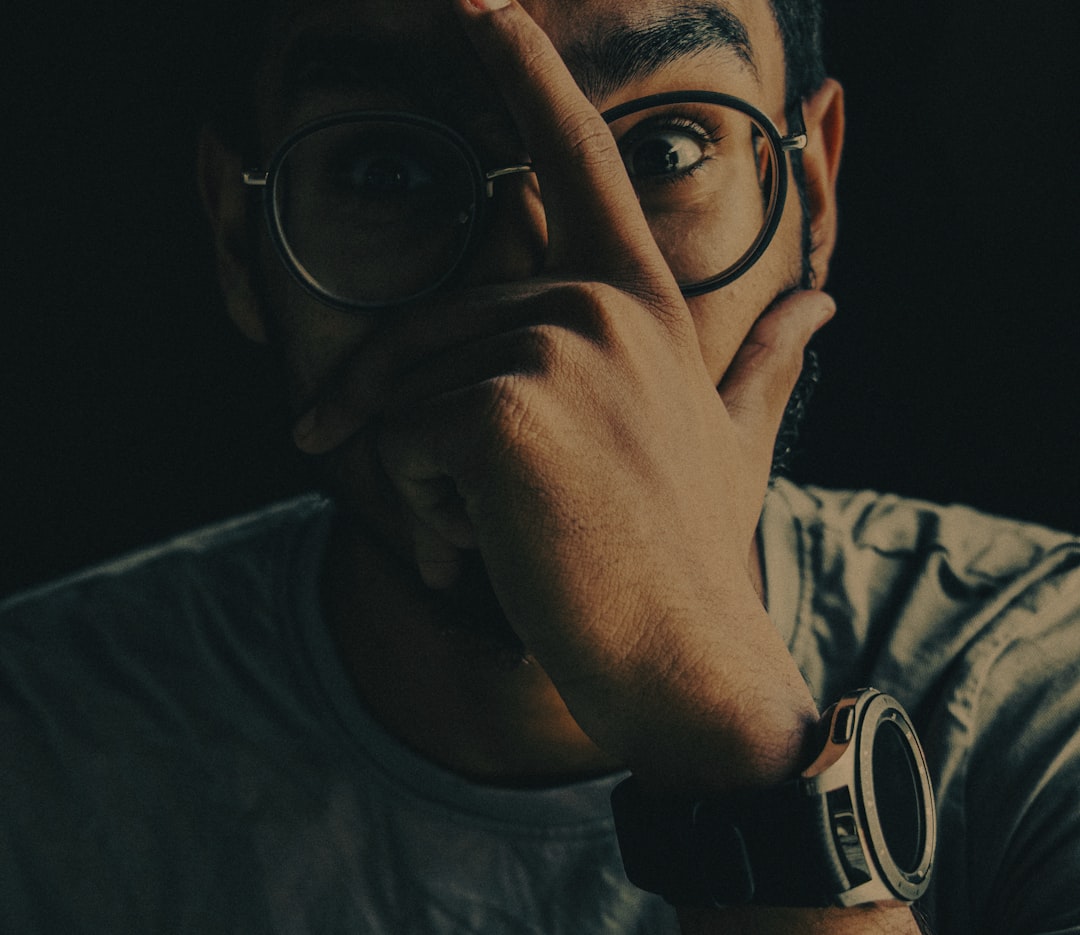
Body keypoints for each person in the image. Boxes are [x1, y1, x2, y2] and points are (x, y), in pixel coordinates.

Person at [1, 0, 1078, 933]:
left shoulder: (1039, 680)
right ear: (241, 238)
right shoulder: (36, 752)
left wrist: (719, 717)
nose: (540, 311)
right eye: (387, 170)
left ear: (813, 191)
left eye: (663, 151)